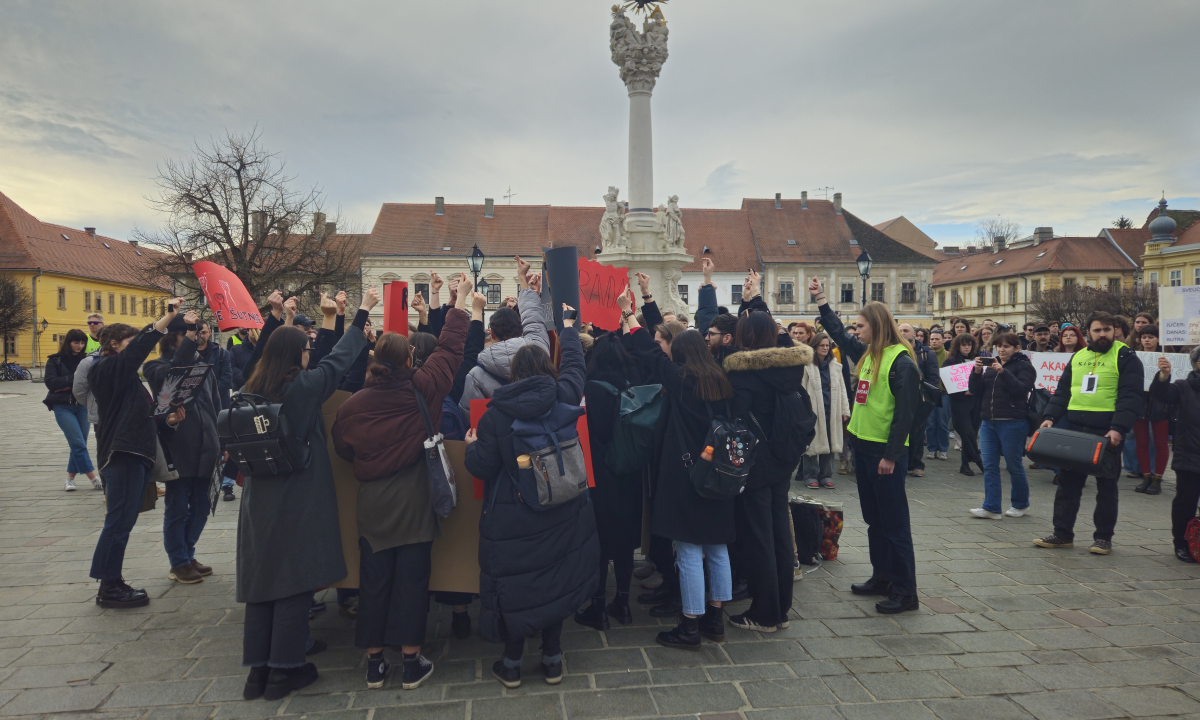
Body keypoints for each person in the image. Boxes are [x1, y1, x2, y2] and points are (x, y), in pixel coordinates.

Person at [236, 287, 377, 701]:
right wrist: (361, 313)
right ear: (297, 354)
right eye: (305, 349)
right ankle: (284, 672)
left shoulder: (251, 387)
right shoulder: (301, 389)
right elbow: (339, 361)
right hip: (295, 496)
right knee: (292, 582)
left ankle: (256, 674)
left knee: (263, 584)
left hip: (258, 499)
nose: (308, 355)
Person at [332, 278, 469, 691]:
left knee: (373, 580)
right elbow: (449, 351)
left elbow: (343, 449)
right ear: (409, 360)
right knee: (412, 581)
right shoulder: (422, 389)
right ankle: (411, 662)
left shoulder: (352, 406)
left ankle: (374, 664)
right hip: (414, 496)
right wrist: (459, 302)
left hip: (373, 500)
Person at [464, 304, 599, 689]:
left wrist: (472, 446)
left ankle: (511, 664)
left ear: (513, 373)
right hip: (563, 506)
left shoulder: (496, 414)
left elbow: (481, 467)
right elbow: (575, 365)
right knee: (555, 580)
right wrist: (569, 328)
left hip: (515, 511)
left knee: (519, 586)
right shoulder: (564, 395)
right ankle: (553, 659)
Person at [622, 293, 735, 648]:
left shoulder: (683, 381)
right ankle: (715, 619)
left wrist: (630, 317)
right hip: (719, 473)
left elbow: (651, 355)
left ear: (682, 354)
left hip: (687, 475)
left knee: (687, 550)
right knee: (717, 548)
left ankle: (690, 624)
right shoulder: (720, 380)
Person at [811, 277, 920, 614]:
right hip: (864, 449)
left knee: (895, 525)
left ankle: (906, 591)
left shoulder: (902, 362)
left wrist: (891, 455)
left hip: (885, 456)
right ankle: (882, 577)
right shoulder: (871, 353)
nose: (855, 331)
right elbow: (840, 334)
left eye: (860, 326)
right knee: (875, 521)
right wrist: (821, 302)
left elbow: (906, 416)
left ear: (877, 326)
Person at [88, 298, 187, 608]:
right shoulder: (105, 369)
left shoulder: (126, 377)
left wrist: (167, 420)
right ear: (114, 345)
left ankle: (112, 580)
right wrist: (165, 320)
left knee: (123, 520)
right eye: (130, 344)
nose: (135, 351)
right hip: (122, 454)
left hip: (134, 453)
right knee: (118, 520)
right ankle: (109, 586)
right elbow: (136, 353)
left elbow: (141, 417)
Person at [723, 311, 814, 632]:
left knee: (759, 536)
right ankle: (781, 608)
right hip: (783, 458)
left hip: (757, 463)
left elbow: (737, 419)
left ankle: (765, 613)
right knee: (778, 533)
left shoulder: (743, 372)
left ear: (745, 337)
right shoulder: (790, 365)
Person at [1035, 311, 1143, 555]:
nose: (1102, 334)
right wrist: (1049, 418)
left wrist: (1118, 428)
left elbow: (1131, 396)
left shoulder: (1126, 356)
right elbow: (1062, 391)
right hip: (1074, 428)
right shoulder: (1078, 356)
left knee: (1106, 488)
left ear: (1115, 330)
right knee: (1067, 486)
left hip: (1106, 433)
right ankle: (1062, 534)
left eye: (1107, 329)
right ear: (1089, 333)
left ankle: (1103, 538)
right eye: (1097, 330)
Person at [142, 310, 223, 584]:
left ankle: (187, 554)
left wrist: (220, 438)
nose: (197, 337)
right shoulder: (155, 367)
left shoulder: (203, 364)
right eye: (188, 333)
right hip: (177, 446)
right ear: (174, 337)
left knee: (201, 506)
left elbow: (215, 404)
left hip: (206, 444)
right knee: (177, 507)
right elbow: (171, 379)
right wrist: (188, 344)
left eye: (197, 332)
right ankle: (178, 562)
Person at [575, 333, 646, 632]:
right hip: (629, 474)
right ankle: (624, 604)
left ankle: (598, 608)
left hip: (599, 477)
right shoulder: (633, 386)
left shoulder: (589, 388)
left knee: (601, 546)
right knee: (625, 545)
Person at [459, 257, 550, 415]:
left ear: (492, 333)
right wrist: (523, 278)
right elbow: (533, 316)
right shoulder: (539, 348)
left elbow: (473, 418)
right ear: (521, 328)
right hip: (538, 435)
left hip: (499, 437)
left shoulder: (476, 374)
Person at [967, 332, 1035, 519]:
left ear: (1016, 348)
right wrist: (977, 372)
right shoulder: (991, 365)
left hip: (1013, 421)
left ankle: (1021, 504)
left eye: (1006, 346)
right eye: (999, 346)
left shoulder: (1024, 365)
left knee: (1013, 465)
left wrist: (1003, 373)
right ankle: (991, 507)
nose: (1002, 350)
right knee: (989, 465)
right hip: (989, 422)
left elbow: (1021, 389)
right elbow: (975, 390)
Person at [1149, 349, 1200, 562]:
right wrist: (1163, 375)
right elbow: (1161, 394)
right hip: (1190, 454)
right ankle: (1182, 543)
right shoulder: (1183, 386)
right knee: (1185, 503)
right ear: (1197, 363)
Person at [44, 329, 99, 491]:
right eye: (76, 342)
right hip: (63, 406)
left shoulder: (87, 359)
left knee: (80, 443)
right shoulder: (55, 360)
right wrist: (76, 378)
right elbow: (51, 383)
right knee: (77, 442)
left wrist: (67, 383)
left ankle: (70, 479)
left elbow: (91, 382)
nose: (80, 346)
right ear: (68, 342)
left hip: (82, 406)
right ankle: (94, 478)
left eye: (82, 343)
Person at [802, 332, 848, 490]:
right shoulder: (806, 365)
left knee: (830, 440)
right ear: (814, 347)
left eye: (827, 345)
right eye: (822, 345)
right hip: (813, 409)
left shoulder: (835, 366)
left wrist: (844, 410)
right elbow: (801, 388)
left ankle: (827, 474)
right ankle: (811, 474)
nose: (825, 348)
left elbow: (842, 389)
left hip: (831, 408)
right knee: (812, 443)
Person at [1132, 326, 1170, 494]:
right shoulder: (1134, 357)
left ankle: (1158, 478)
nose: (1147, 340)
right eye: (1144, 337)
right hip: (1140, 402)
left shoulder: (1166, 357)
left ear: (1158, 339)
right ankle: (1146, 476)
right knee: (1141, 442)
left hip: (1160, 403)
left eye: (1151, 337)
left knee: (1161, 443)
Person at [899, 323, 938, 478]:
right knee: (901, 431)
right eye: (900, 331)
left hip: (919, 399)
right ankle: (902, 461)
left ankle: (916, 463)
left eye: (906, 331)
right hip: (901, 398)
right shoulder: (896, 351)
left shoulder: (926, 353)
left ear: (914, 334)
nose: (903, 333)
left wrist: (928, 399)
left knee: (917, 431)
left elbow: (934, 378)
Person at [944, 333, 985, 476]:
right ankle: (979, 461)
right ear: (958, 345)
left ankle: (965, 464)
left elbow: (983, 380)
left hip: (976, 400)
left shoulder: (978, 360)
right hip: (960, 401)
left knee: (972, 433)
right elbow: (948, 383)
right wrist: (962, 392)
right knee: (966, 432)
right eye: (964, 344)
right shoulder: (951, 361)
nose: (967, 347)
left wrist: (975, 389)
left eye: (969, 344)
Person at [195, 320, 233, 410]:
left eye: (204, 332)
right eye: (198, 333)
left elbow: (226, 380)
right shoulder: (187, 354)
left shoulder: (222, 353)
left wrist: (207, 395)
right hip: (196, 407)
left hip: (219, 405)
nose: (201, 335)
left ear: (210, 332)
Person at [925, 330, 950, 462]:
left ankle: (943, 449)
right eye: (932, 339)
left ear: (942, 341)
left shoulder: (947, 355)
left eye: (937, 339)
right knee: (930, 422)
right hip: (929, 392)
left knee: (942, 421)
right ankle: (931, 448)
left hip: (944, 392)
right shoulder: (926, 354)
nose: (934, 341)